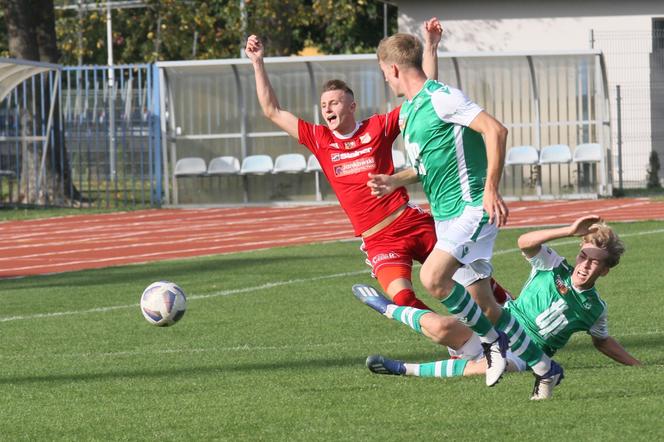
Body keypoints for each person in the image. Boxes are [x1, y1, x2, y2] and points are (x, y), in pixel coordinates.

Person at [244, 20, 512, 386]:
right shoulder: (319, 139)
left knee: (470, 275)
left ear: (351, 105)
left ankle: (514, 316)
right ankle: (460, 341)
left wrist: (430, 48)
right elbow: (273, 111)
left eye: (335, 102)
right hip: (378, 239)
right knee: (403, 298)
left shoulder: (378, 127)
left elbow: (425, 100)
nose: (327, 108)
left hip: (411, 221)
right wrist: (258, 63)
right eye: (323, 104)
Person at [366, 31, 563, 397]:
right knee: (485, 305)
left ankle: (492, 346)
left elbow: (495, 130)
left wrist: (490, 188)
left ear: (392, 68)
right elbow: (425, 165)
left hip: (472, 208)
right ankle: (545, 368)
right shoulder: (410, 110)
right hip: (446, 217)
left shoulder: (443, 98)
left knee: (433, 278)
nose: (385, 80)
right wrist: (396, 180)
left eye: (384, 73)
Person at [358, 215, 641, 400]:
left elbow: (603, 342)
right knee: (441, 327)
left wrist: (637, 366)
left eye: (595, 262)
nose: (585, 265)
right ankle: (385, 307)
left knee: (494, 367)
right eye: (583, 256)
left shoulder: (595, 309)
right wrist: (567, 231)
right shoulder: (554, 266)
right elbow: (525, 243)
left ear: (605, 270)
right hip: (500, 325)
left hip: (526, 354)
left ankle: (401, 369)